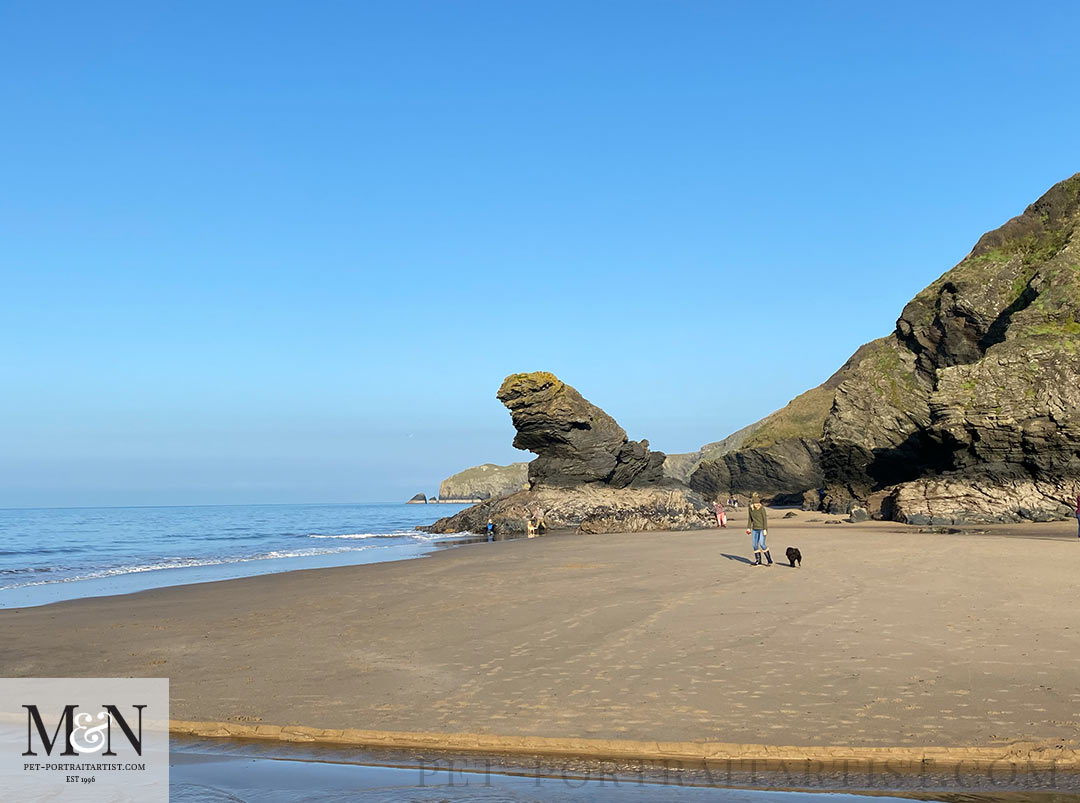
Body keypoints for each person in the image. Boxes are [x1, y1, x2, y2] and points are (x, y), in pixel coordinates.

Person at [745, 492, 772, 566]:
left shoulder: (762, 509)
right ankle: (758, 560)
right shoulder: (750, 509)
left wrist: (765, 529)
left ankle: (769, 560)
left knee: (762, 544)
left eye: (758, 503)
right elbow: (750, 519)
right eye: (756, 503)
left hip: (762, 529)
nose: (757, 505)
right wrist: (748, 528)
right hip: (754, 529)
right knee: (754, 545)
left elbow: (764, 519)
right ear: (753, 503)